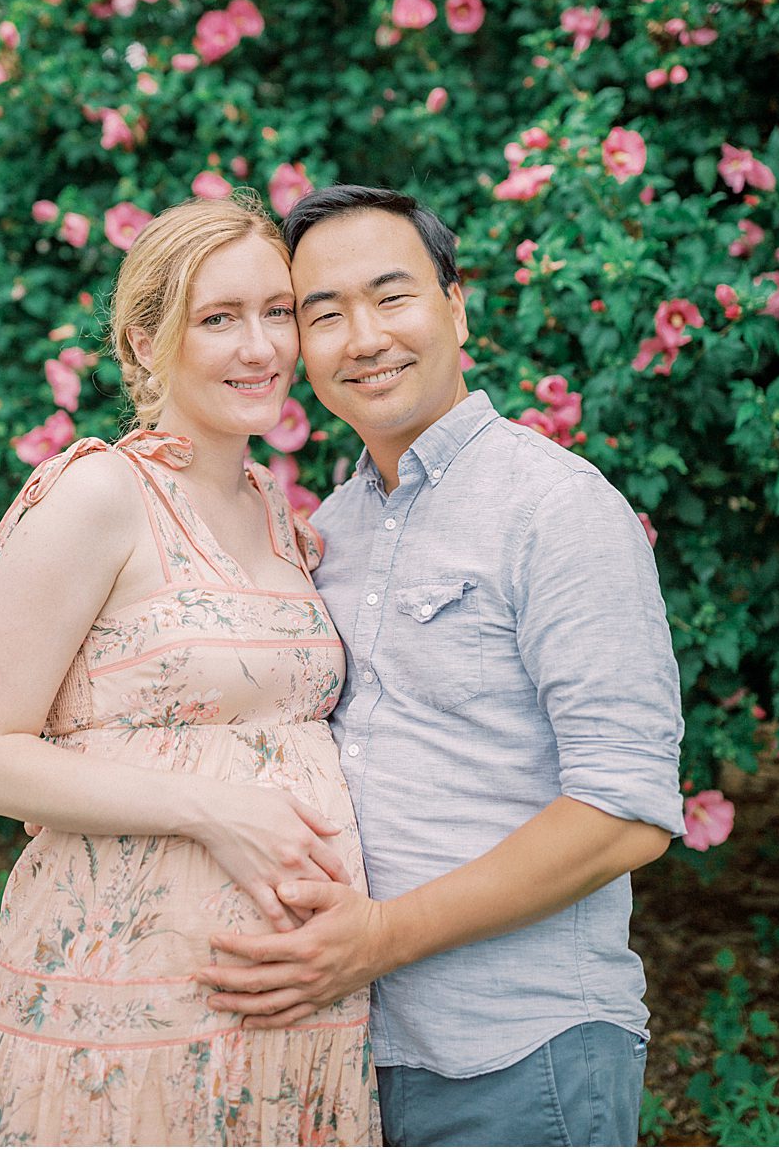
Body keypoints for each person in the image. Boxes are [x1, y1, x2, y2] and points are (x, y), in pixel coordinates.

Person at [199, 185, 686, 1148]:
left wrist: (381, 936)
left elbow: (626, 811)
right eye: (323, 313)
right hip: (349, 1053)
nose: (362, 336)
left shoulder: (555, 507)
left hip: (522, 1052)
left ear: (456, 306)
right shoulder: (330, 530)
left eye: (392, 296)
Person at [0, 193, 380, 1147]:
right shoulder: (99, 492)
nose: (261, 346)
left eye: (278, 311)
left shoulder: (276, 508)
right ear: (144, 344)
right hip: (127, 1004)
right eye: (218, 318)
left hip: (293, 1007)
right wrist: (220, 810)